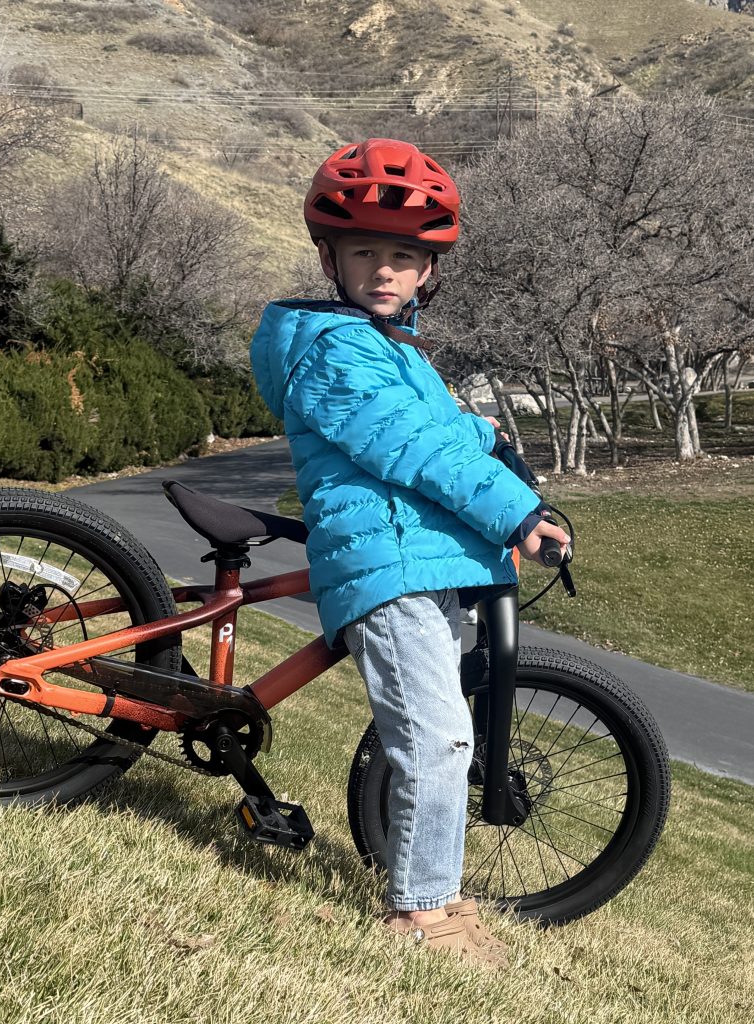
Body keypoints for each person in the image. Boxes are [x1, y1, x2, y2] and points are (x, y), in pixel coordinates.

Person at [249, 138, 569, 968]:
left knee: (443, 734)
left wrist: (483, 433)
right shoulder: (337, 347)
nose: (384, 271)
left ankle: (440, 896)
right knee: (438, 739)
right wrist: (518, 512)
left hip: (416, 557)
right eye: (364, 253)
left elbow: (431, 429)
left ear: (428, 270)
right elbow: (411, 446)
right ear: (330, 259)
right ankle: (421, 916)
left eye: (402, 257)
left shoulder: (387, 346)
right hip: (389, 563)